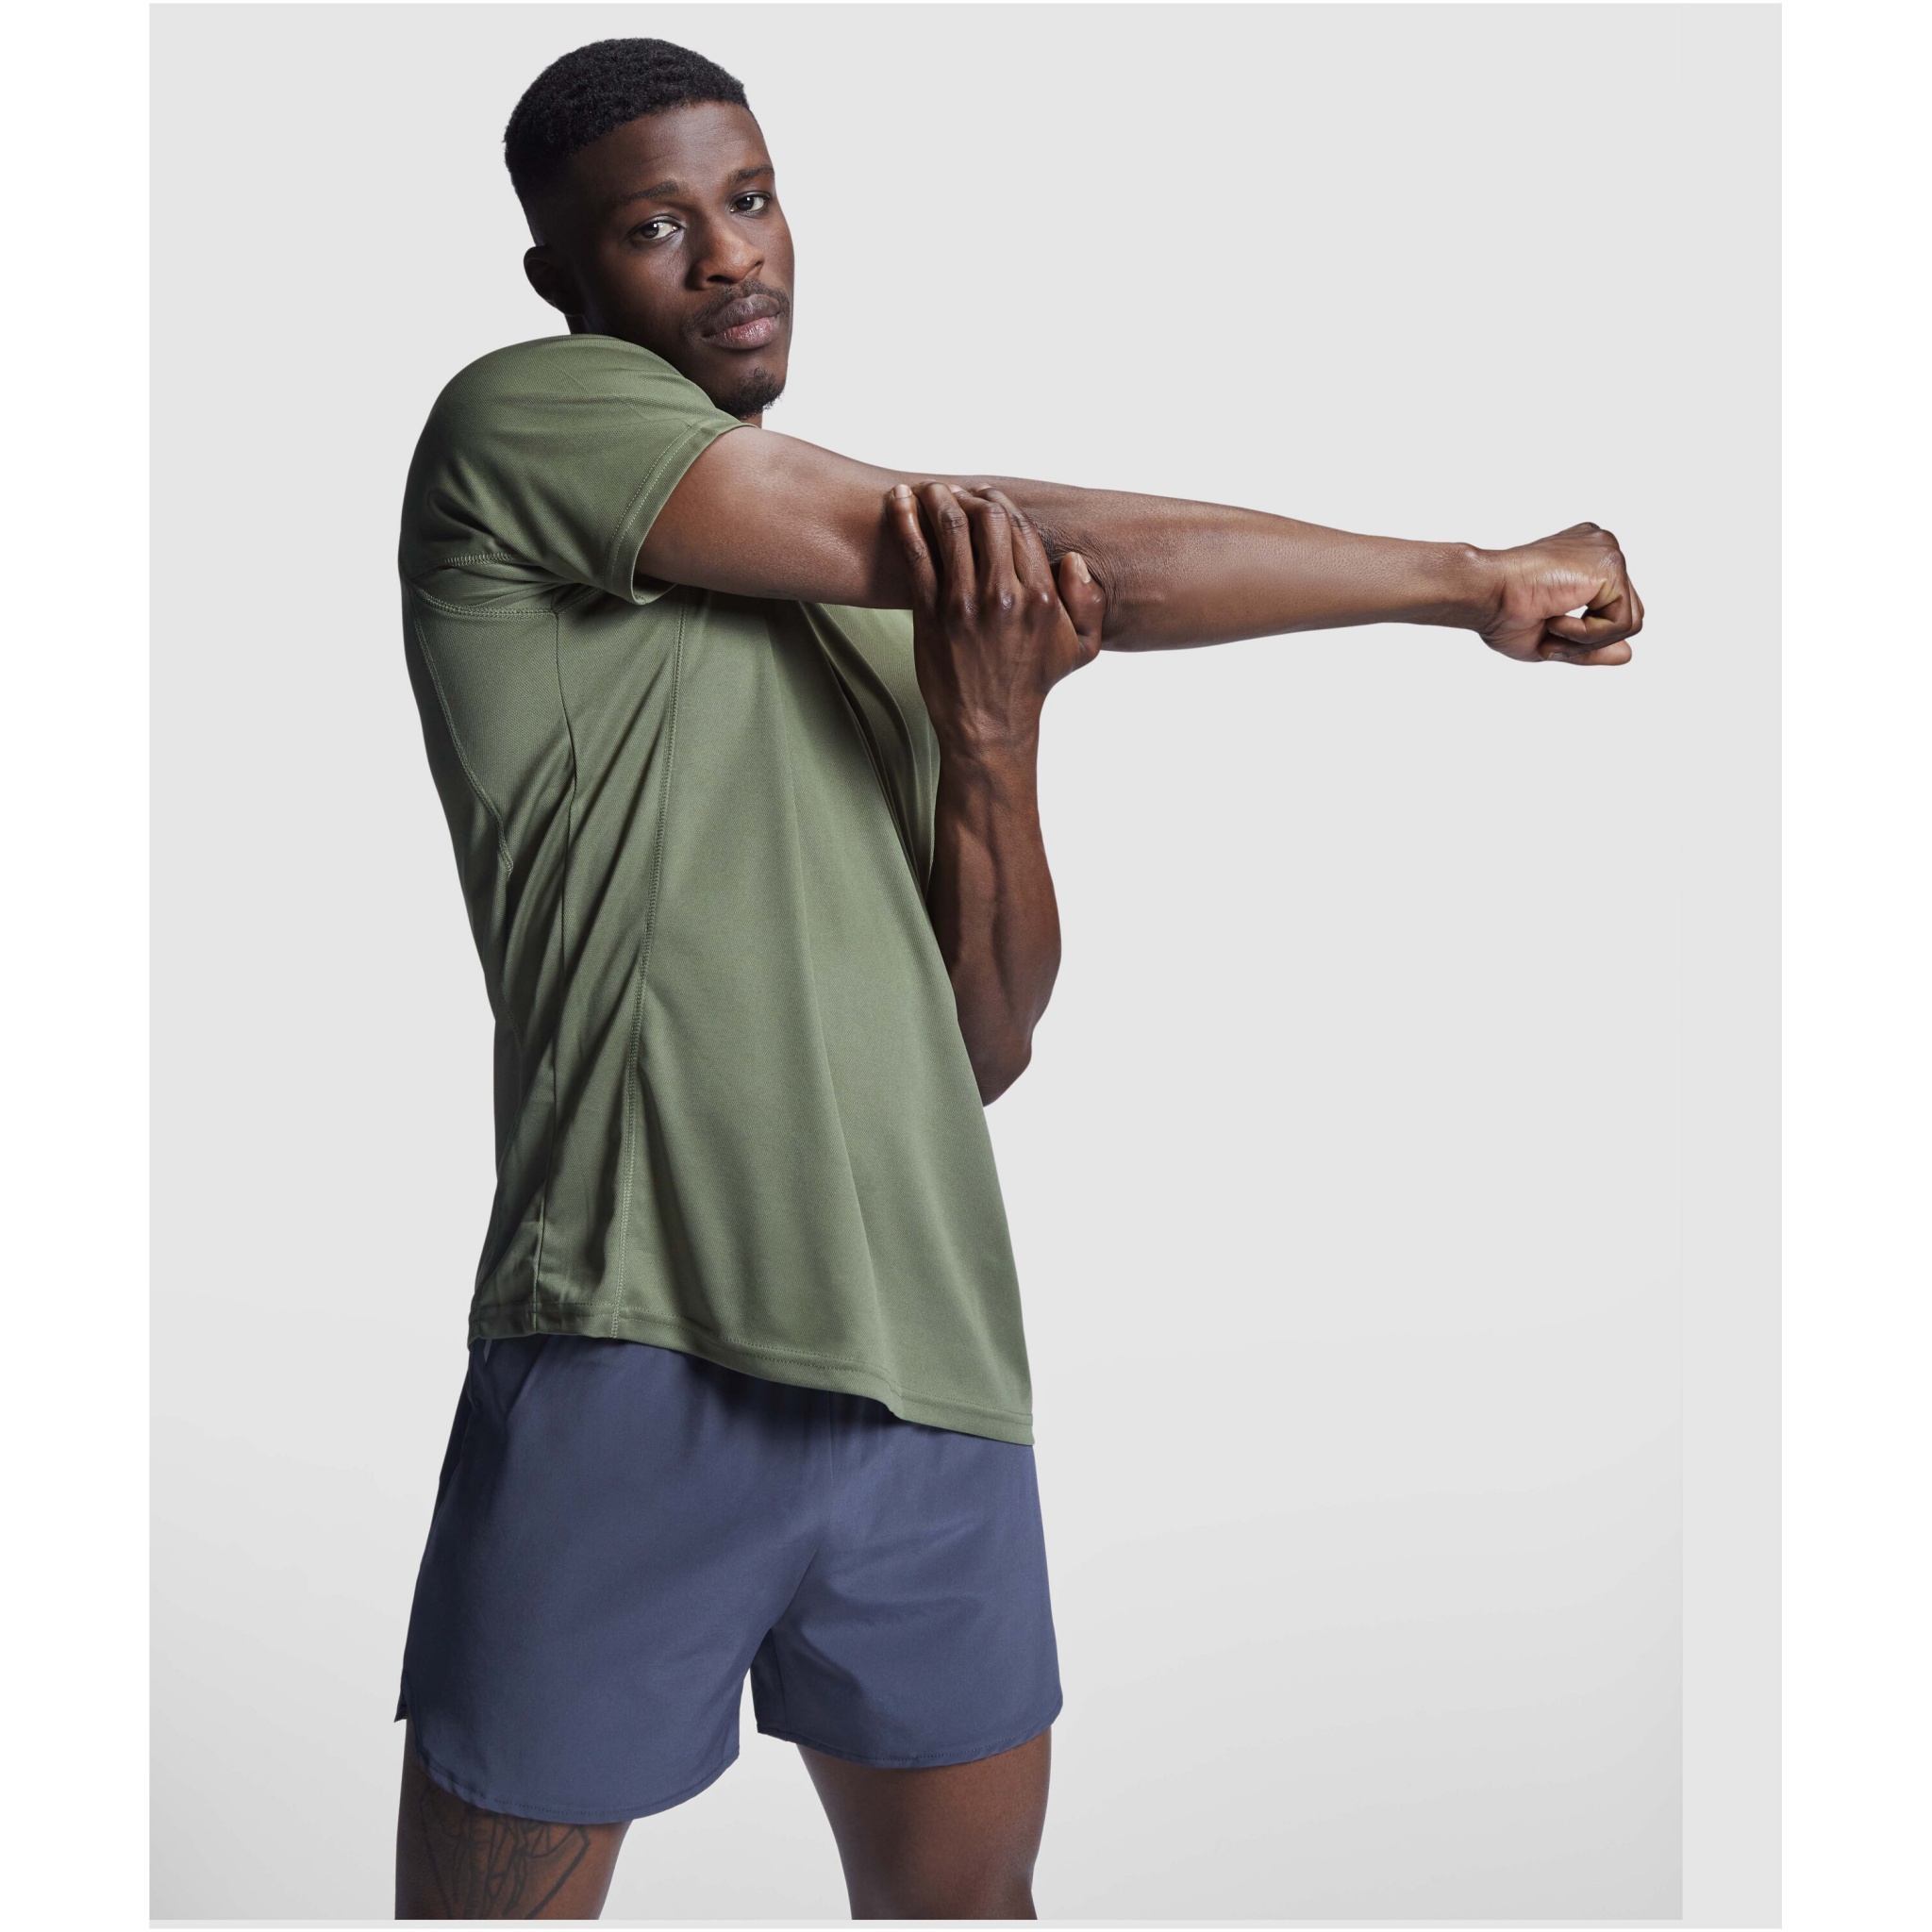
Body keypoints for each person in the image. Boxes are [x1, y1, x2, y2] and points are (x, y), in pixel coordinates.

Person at [391, 35, 1644, 1922]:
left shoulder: (884, 619)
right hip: (641, 1333)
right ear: (561, 275)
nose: (731, 254)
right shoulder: (525, 417)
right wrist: (1464, 576)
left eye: (752, 198)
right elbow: (1011, 544)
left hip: (932, 1365)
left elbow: (975, 1039)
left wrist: (991, 734)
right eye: (656, 228)